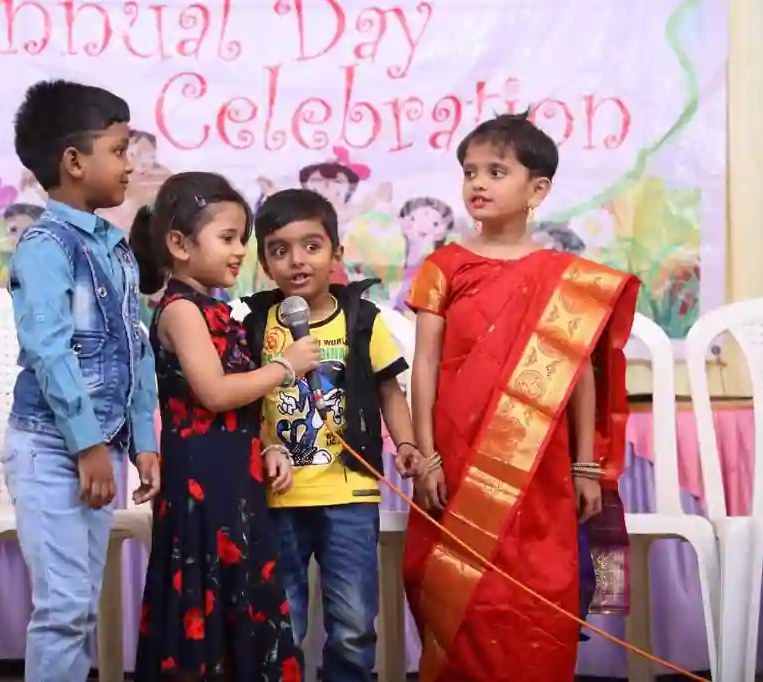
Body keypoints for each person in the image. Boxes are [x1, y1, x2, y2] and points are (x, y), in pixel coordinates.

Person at [403, 112, 640, 681]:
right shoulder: (444, 267)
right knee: (460, 595)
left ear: (537, 189)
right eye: (469, 172)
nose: (477, 184)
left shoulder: (567, 279)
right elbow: (425, 366)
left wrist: (585, 467)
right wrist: (427, 456)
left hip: (540, 471)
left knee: (540, 590)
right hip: (457, 463)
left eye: (496, 171)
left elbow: (579, 376)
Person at [2, 80, 160, 682]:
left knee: (81, 608)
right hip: (52, 449)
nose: (129, 165)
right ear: (74, 162)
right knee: (64, 610)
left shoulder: (115, 250)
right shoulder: (45, 247)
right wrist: (88, 443)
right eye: (119, 151)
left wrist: (143, 441)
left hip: (98, 450)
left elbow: (134, 348)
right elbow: (49, 352)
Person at [128, 172, 309, 681]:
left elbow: (243, 404)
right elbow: (214, 393)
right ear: (179, 244)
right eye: (227, 238)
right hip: (202, 490)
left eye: (241, 240)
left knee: (244, 595)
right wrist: (286, 367)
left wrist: (269, 445)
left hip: (237, 483)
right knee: (204, 597)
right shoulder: (182, 311)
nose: (239, 251)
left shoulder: (216, 310)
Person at [241, 188, 423, 682]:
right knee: (283, 619)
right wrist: (267, 445)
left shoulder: (362, 320)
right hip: (279, 496)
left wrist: (406, 443)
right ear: (265, 263)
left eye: (311, 246)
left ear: (336, 253)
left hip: (350, 495)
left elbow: (389, 391)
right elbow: (246, 400)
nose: (297, 261)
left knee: (353, 623)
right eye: (280, 250)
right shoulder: (255, 324)